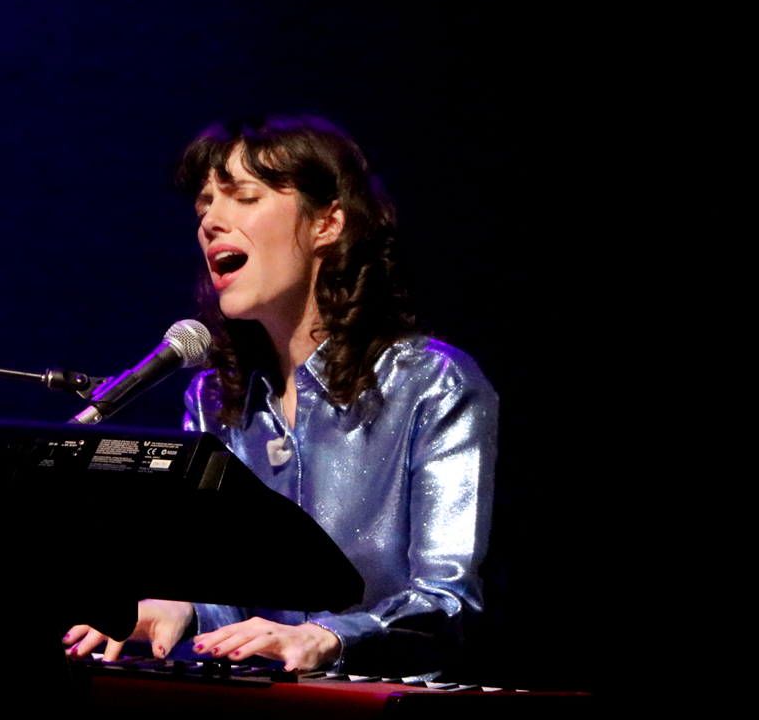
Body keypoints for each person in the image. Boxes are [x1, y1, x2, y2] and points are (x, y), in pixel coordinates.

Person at [63, 115, 498, 679]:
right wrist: (183, 610)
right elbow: (231, 588)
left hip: (394, 712)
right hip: (266, 707)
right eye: (204, 208)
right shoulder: (214, 398)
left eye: (245, 198)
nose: (211, 222)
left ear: (327, 224)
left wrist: (327, 638)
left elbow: (450, 602)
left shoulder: (432, 383)